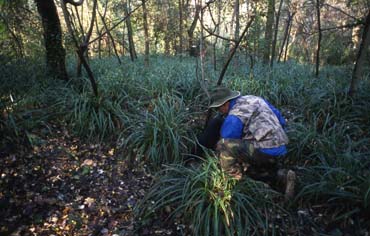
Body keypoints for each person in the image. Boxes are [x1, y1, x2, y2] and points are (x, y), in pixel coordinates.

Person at [198, 87, 295, 198]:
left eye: (218, 108)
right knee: (252, 158)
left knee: (224, 146)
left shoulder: (234, 116)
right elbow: (281, 120)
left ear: (225, 104)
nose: (219, 111)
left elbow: (227, 138)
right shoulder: (254, 99)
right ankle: (280, 176)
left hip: (266, 154)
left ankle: (237, 181)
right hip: (282, 149)